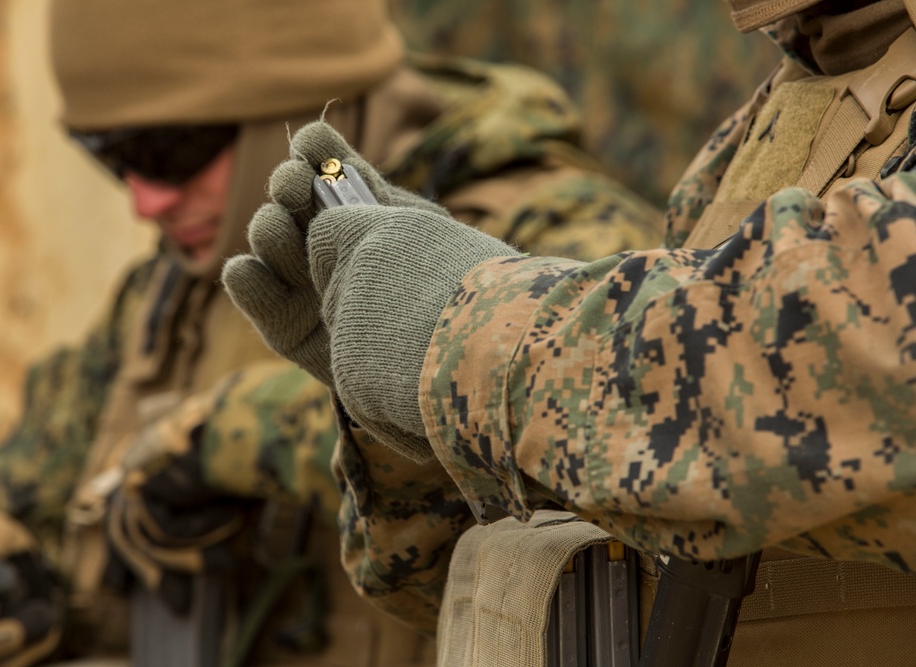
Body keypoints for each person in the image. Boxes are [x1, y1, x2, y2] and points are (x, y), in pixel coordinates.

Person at [0, 0, 664, 665]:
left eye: (167, 154)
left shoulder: (562, 237)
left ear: (289, 107)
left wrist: (234, 430)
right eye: (111, 160)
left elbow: (628, 438)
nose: (145, 201)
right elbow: (23, 503)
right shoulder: (167, 298)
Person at [222, 0, 916, 663]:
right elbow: (617, 552)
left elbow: (874, 373)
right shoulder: (790, 102)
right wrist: (414, 416)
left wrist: (473, 334)